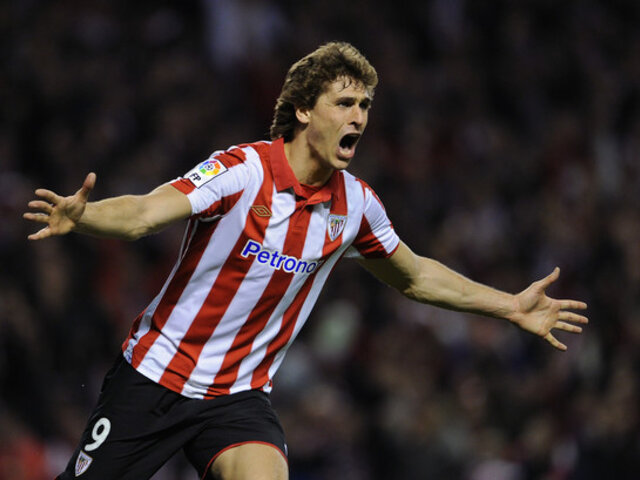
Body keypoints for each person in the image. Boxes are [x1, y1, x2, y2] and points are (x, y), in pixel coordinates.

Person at [24, 42, 588, 480]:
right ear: (302, 110)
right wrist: (86, 216)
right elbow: (146, 213)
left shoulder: (356, 205)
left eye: (364, 106)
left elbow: (415, 276)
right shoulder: (243, 171)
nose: (358, 117)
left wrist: (509, 306)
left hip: (238, 396)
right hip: (154, 378)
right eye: (344, 103)